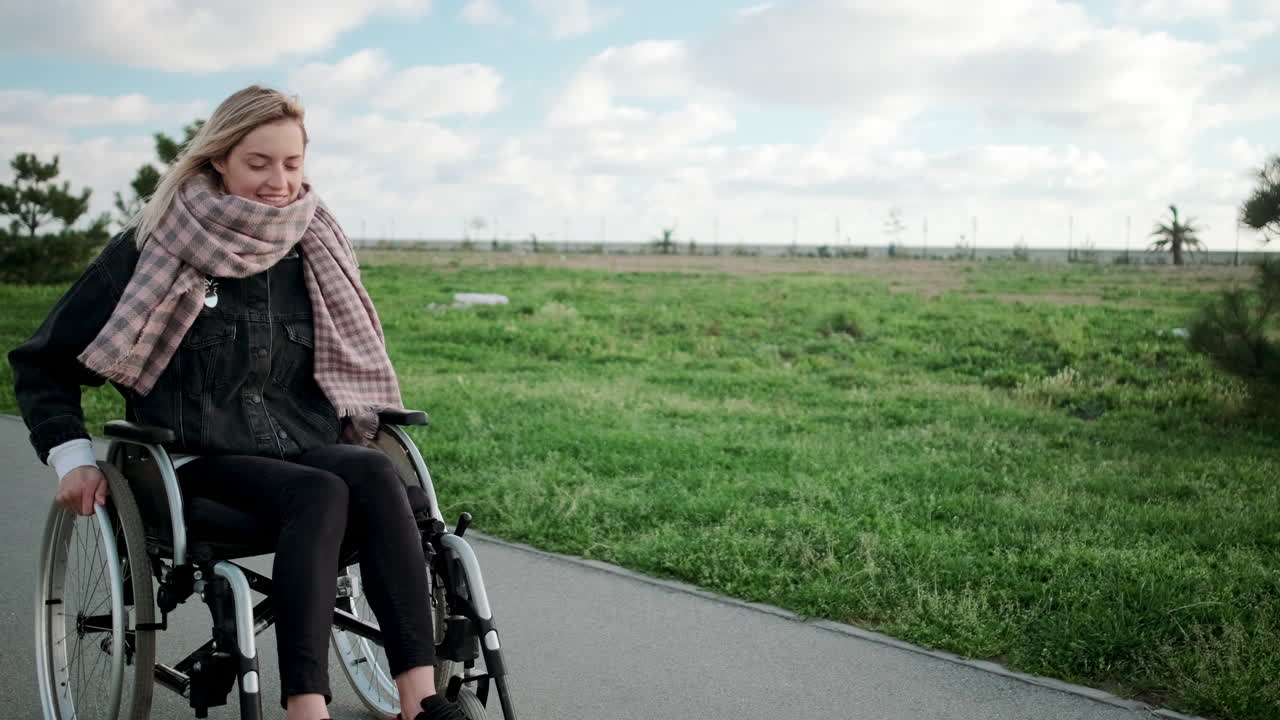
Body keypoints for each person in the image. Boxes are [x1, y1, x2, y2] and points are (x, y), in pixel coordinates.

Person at [10, 86, 467, 720]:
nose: (280, 182)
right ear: (219, 159)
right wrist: (71, 455)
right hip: (196, 467)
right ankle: (306, 707)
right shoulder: (155, 244)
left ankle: (419, 702)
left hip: (307, 455)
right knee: (322, 492)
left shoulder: (315, 245)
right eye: (259, 163)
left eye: (292, 164)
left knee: (371, 469)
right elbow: (43, 361)